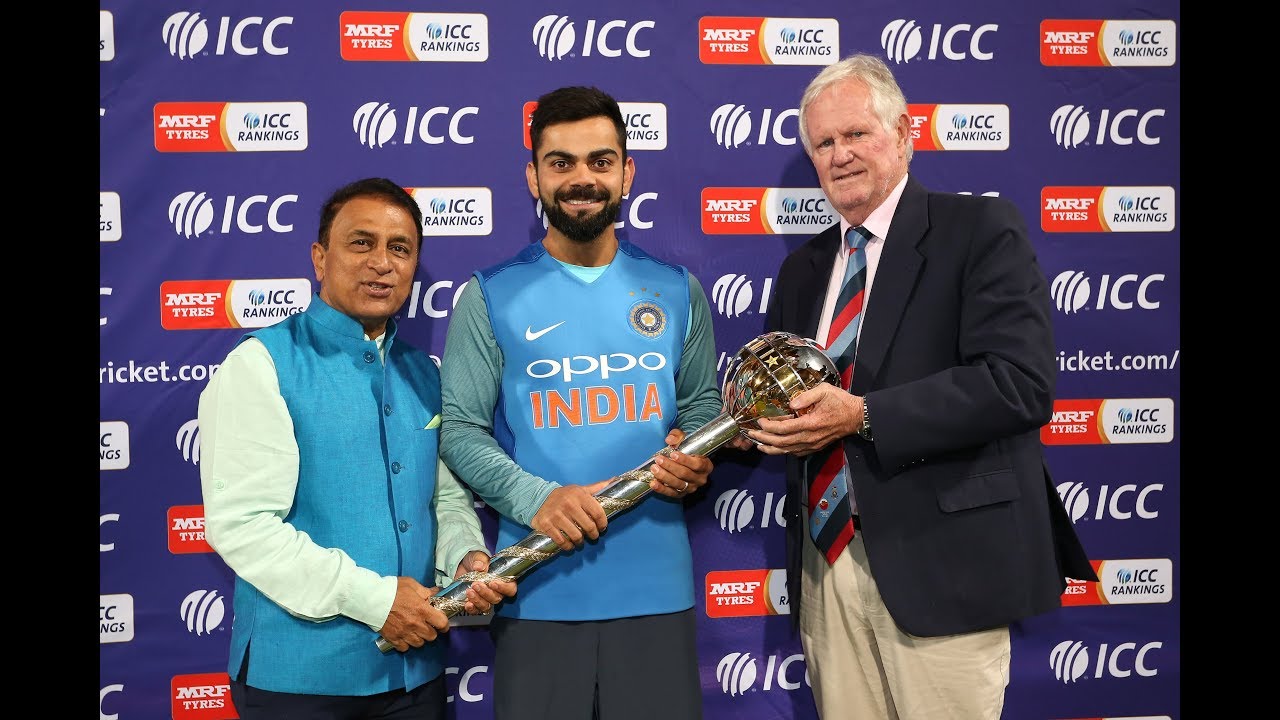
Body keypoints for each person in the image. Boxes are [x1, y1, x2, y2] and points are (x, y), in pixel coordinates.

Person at [741, 53, 1099, 719]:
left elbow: (1019, 383)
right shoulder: (802, 270)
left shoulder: (979, 231)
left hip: (944, 569)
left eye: (856, 134)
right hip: (826, 571)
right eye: (823, 143)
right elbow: (779, 405)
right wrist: (724, 435)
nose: (840, 155)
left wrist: (862, 415)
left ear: (905, 134)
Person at [439, 86, 723, 720]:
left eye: (600, 160)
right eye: (560, 162)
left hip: (655, 589)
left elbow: (703, 407)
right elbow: (460, 430)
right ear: (533, 177)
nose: (581, 179)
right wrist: (537, 499)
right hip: (538, 586)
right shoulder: (489, 296)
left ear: (627, 172)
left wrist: (696, 455)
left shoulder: (678, 291)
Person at [198, 177, 517, 719]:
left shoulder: (422, 372)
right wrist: (377, 601)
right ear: (320, 259)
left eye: (400, 249)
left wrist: (462, 556)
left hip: (415, 673)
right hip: (299, 681)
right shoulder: (261, 363)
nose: (382, 263)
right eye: (361, 242)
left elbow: (441, 498)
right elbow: (244, 524)